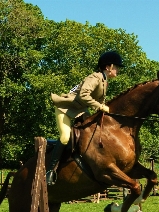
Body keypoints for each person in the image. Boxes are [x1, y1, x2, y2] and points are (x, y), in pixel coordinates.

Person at [46, 51, 124, 185]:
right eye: (116, 67)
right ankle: (50, 170)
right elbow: (83, 95)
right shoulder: (95, 77)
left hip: (80, 110)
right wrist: (100, 106)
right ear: (108, 67)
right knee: (65, 137)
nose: (117, 70)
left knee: (91, 133)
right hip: (65, 108)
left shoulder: (104, 81)